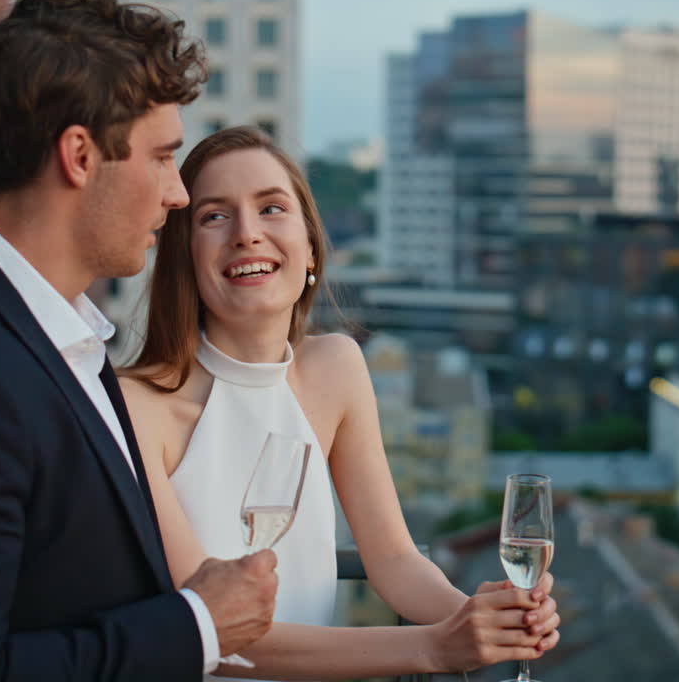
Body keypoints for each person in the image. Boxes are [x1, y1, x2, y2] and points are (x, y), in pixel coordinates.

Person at [0, 0, 278, 681]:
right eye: (162, 157)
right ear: (79, 155)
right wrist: (198, 625)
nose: (178, 194)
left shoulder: (56, 339)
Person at [120, 126, 562, 680]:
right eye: (214, 216)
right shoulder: (138, 405)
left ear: (310, 247)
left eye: (272, 208)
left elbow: (396, 563)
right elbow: (210, 631)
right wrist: (433, 648)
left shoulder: (336, 367)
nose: (247, 234)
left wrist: (480, 621)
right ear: (184, 260)